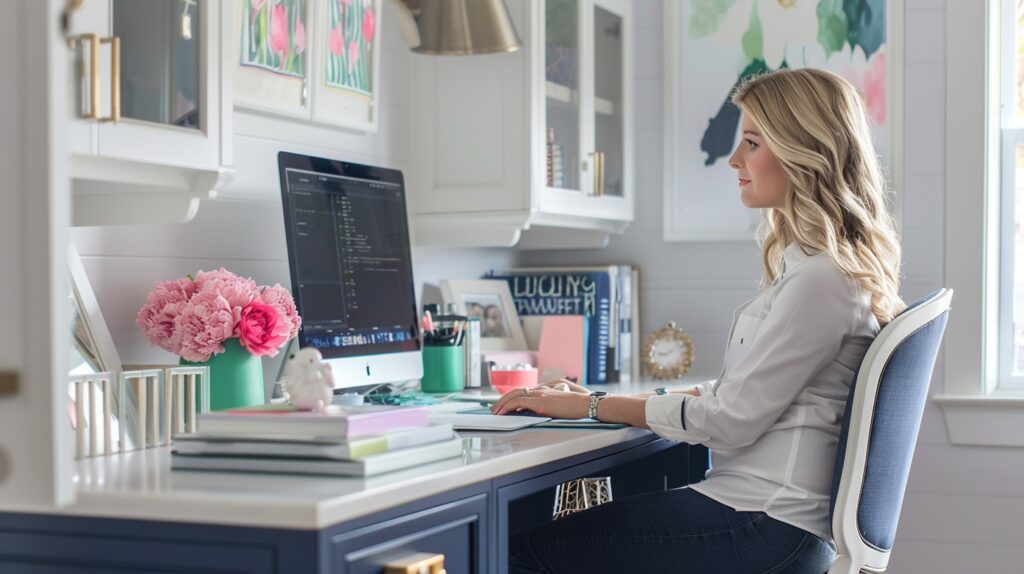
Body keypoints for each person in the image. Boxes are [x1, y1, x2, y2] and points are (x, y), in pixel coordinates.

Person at [491, 68, 904, 574]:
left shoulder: (822, 281)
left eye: (752, 143)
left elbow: (730, 421)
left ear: (805, 152)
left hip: (764, 527)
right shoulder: (819, 271)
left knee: (513, 551)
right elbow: (741, 395)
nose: (734, 160)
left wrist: (595, 406)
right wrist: (596, 402)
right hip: (768, 519)